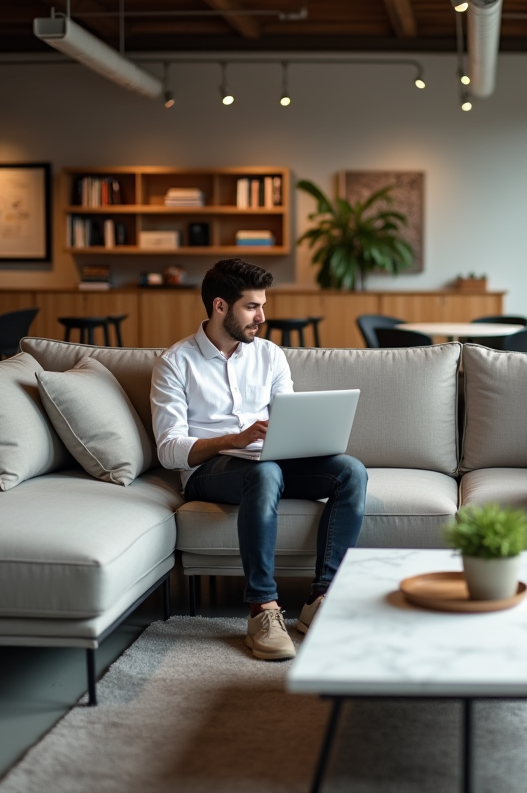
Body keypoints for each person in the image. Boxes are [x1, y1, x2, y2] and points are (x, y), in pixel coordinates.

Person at [151, 259, 367, 661]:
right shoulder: (175, 363)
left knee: (350, 471)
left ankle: (321, 600)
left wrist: (305, 438)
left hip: (269, 461)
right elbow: (169, 448)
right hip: (208, 470)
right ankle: (263, 609)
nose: (262, 317)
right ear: (220, 306)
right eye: (252, 307)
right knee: (265, 473)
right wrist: (236, 438)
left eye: (262, 306)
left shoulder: (270, 355)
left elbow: (288, 418)